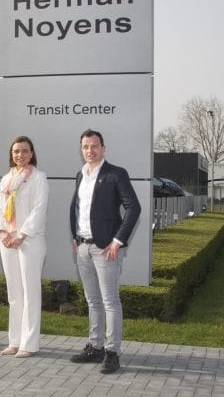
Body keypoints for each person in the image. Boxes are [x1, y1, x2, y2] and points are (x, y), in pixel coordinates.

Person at [69, 129, 140, 374]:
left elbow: (134, 208)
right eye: (85, 146)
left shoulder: (115, 174)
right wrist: (75, 237)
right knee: (93, 301)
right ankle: (95, 347)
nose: (90, 150)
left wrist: (118, 240)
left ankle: (112, 352)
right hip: (83, 247)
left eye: (94, 146)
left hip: (105, 249)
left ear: (103, 148)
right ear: (81, 149)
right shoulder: (81, 175)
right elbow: (78, 209)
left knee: (110, 302)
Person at [0, 135, 48, 358]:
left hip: (30, 241)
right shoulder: (7, 179)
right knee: (14, 294)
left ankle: (29, 343)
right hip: (8, 240)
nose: (20, 155)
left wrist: (22, 234)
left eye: (24, 151)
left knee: (30, 293)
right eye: (16, 151)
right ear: (11, 154)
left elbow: (39, 209)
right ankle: (14, 341)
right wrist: (3, 233)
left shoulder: (39, 178)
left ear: (31, 153)